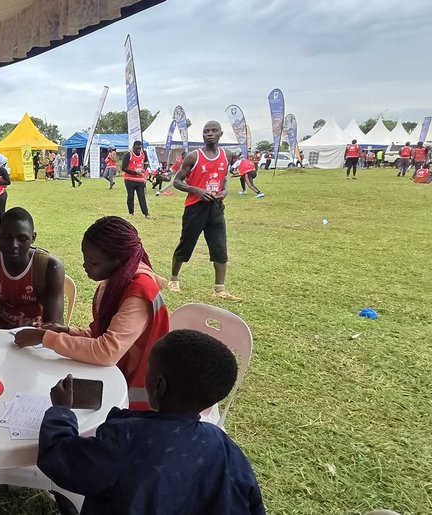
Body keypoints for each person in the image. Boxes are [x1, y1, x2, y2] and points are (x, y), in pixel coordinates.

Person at [36, 330, 266, 515]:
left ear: (159, 385)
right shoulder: (226, 447)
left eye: (149, 367)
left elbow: (60, 458)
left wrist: (61, 410)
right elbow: (251, 502)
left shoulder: (125, 440)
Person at [13, 216, 170, 410]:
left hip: (139, 399)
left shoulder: (138, 293)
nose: (85, 266)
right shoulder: (115, 281)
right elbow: (101, 335)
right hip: (117, 376)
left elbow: (107, 351)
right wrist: (65, 331)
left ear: (118, 260)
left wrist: (45, 337)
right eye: (85, 258)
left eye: (93, 262)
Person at [168, 121, 240, 301]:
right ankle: (174, 280)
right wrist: (196, 190)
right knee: (186, 244)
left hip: (215, 208)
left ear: (220, 134)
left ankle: (219, 289)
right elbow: (177, 182)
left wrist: (224, 191)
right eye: (206, 131)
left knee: (220, 246)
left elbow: (223, 179)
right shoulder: (194, 156)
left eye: (213, 131)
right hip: (195, 208)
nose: (209, 134)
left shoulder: (227, 155)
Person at [0, 208, 64, 329]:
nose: (14, 245)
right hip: (1, 329)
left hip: (37, 334)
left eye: (22, 239)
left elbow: (54, 325)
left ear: (33, 238)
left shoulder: (50, 267)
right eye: (6, 237)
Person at [120, 141, 150, 218]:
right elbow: (123, 167)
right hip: (129, 179)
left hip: (140, 179)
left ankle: (146, 213)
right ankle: (131, 213)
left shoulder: (144, 153)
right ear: (133, 147)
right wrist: (135, 172)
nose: (138, 151)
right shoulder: (128, 154)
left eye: (139, 149)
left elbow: (146, 163)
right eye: (136, 149)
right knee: (130, 196)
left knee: (142, 196)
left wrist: (144, 169)